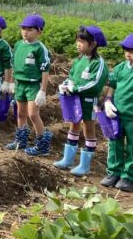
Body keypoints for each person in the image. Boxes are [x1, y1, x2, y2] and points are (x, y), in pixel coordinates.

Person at [54, 26, 109, 176]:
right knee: (73, 126)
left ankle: (85, 165)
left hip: (89, 101)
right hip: (75, 99)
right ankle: (67, 159)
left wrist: (75, 88)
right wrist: (66, 84)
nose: (78, 44)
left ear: (93, 44)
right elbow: (71, 76)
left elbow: (94, 83)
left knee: (89, 129)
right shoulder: (79, 60)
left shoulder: (98, 63)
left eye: (82, 42)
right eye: (77, 41)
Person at [5, 15, 52, 156]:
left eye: (30, 29)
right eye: (23, 29)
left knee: (33, 114)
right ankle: (21, 141)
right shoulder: (19, 45)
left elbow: (45, 70)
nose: (25, 32)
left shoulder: (40, 49)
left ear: (39, 31)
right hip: (20, 83)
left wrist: (42, 91)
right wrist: (12, 82)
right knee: (20, 113)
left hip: (33, 85)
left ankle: (41, 144)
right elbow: (13, 64)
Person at [100, 34, 133, 192]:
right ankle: (114, 172)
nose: (129, 54)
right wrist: (107, 101)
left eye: (132, 51)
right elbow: (112, 86)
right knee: (114, 143)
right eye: (126, 50)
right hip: (117, 114)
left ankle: (129, 177)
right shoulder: (120, 68)